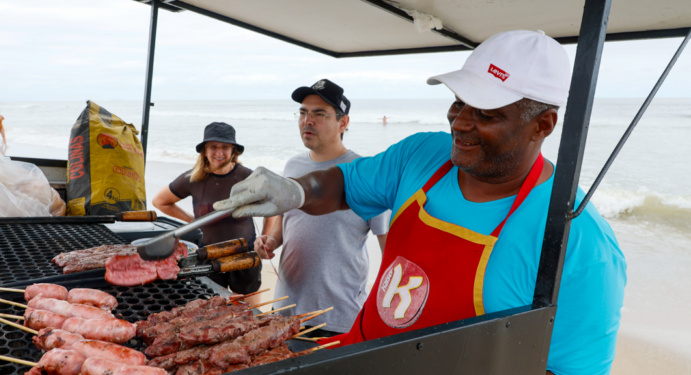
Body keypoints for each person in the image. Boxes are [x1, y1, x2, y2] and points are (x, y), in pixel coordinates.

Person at [214, 30, 626, 374]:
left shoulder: (580, 244)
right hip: (354, 354)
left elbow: (570, 368)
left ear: (543, 124)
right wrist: (298, 190)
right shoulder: (422, 155)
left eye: (485, 113)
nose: (460, 122)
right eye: (458, 101)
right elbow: (345, 182)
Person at [255, 79, 390, 337]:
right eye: (303, 112)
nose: (308, 120)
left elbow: (389, 248)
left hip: (338, 315)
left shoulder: (366, 174)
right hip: (285, 308)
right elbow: (286, 225)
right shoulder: (292, 167)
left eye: (319, 114)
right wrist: (269, 243)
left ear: (343, 122)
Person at [152, 122, 262, 304]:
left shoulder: (247, 176)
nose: (219, 153)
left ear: (233, 150)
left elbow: (274, 207)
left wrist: (265, 236)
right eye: (213, 147)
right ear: (204, 150)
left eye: (225, 147)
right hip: (208, 253)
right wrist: (193, 221)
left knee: (249, 313)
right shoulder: (193, 178)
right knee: (214, 313)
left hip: (245, 253)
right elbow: (160, 201)